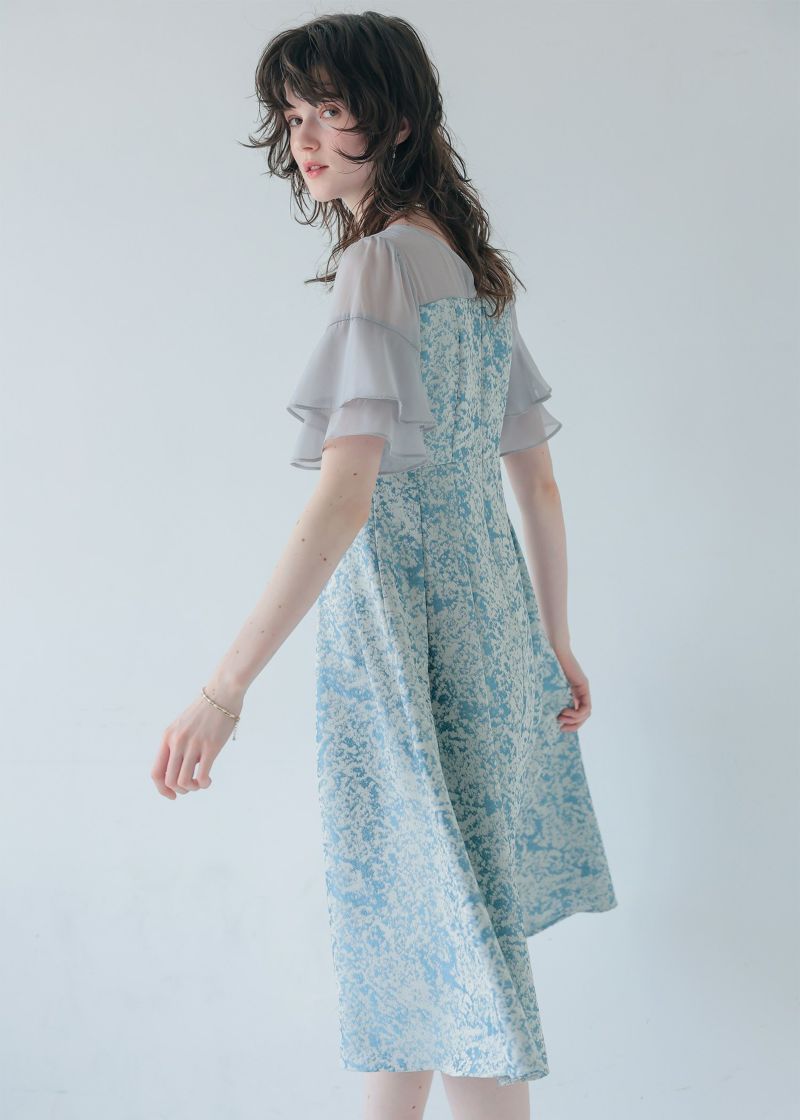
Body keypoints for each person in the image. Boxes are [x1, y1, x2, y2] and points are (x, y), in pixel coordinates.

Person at [151, 12, 617, 1120]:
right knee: (428, 941)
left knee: (434, 942)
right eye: (293, 115)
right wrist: (550, 639)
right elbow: (537, 482)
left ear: (395, 121)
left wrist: (224, 689)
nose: (305, 138)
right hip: (489, 628)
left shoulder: (377, 265)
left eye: (331, 110)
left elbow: (345, 494)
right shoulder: (471, 268)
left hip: (400, 637)